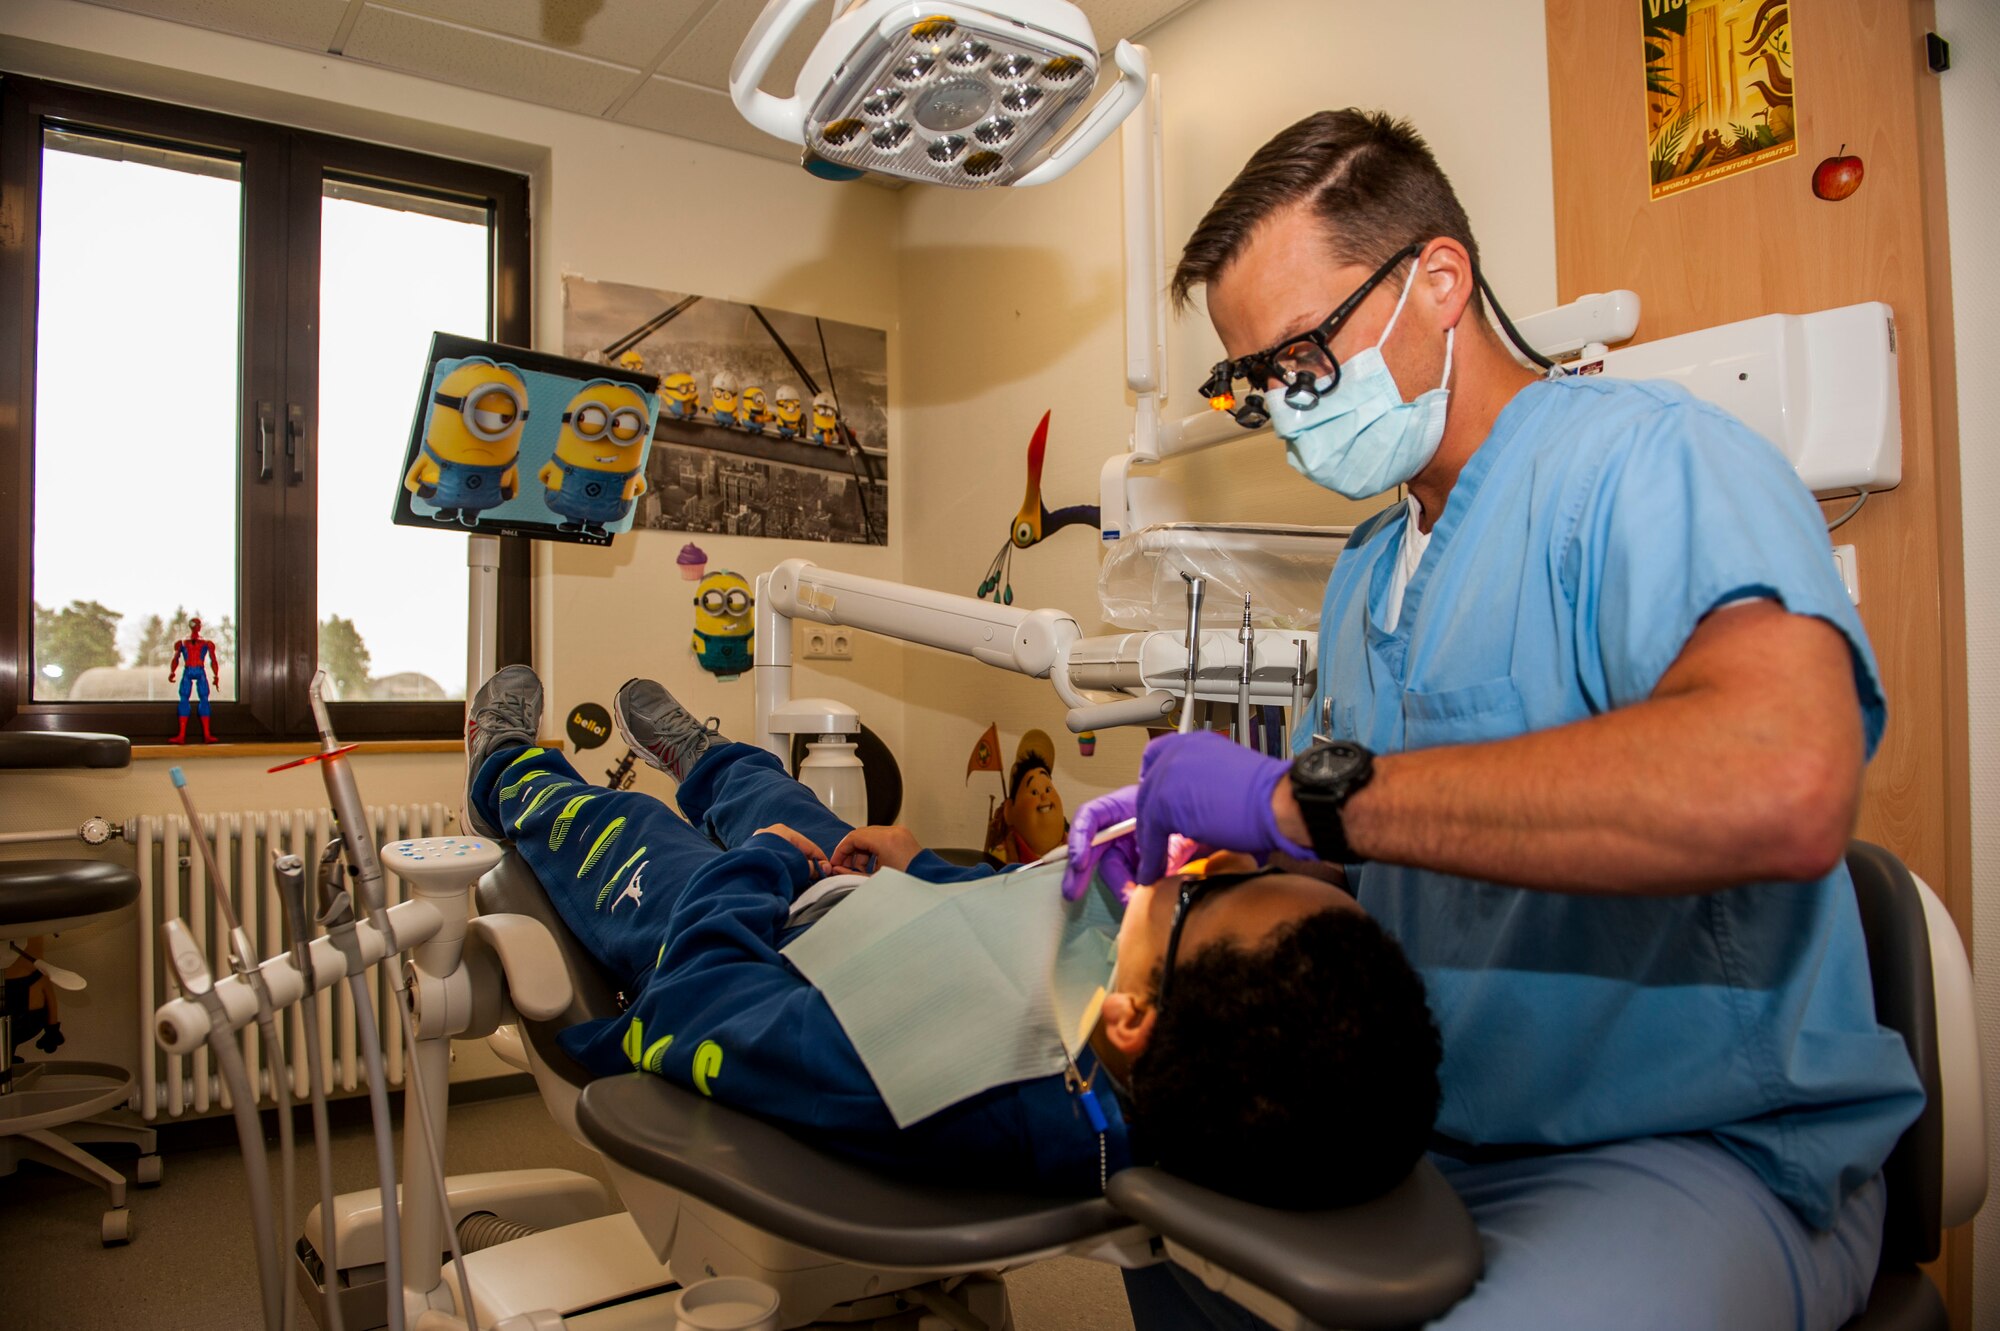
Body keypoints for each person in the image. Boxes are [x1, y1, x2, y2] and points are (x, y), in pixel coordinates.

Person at [1079, 110, 1924, 1330]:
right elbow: (1396, 859)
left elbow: (1780, 781)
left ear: (1437, 282)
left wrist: (1292, 799)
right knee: (1169, 1261)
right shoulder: (1374, 568)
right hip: (1430, 1138)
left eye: (1303, 357)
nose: (1287, 403)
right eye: (1257, 380)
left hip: (1694, 1150)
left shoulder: (1653, 466)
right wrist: (1202, 865)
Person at [464, 665, 1440, 1207]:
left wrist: (762, 866)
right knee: (778, 789)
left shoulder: (937, 1081)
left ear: (1133, 1016)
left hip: (758, 936)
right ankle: (709, 757)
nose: (1189, 864)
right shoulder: (1134, 1017)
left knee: (626, 834)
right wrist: (917, 862)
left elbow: (697, 1006)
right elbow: (1009, 917)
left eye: (1203, 890)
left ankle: (502, 764)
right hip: (866, 902)